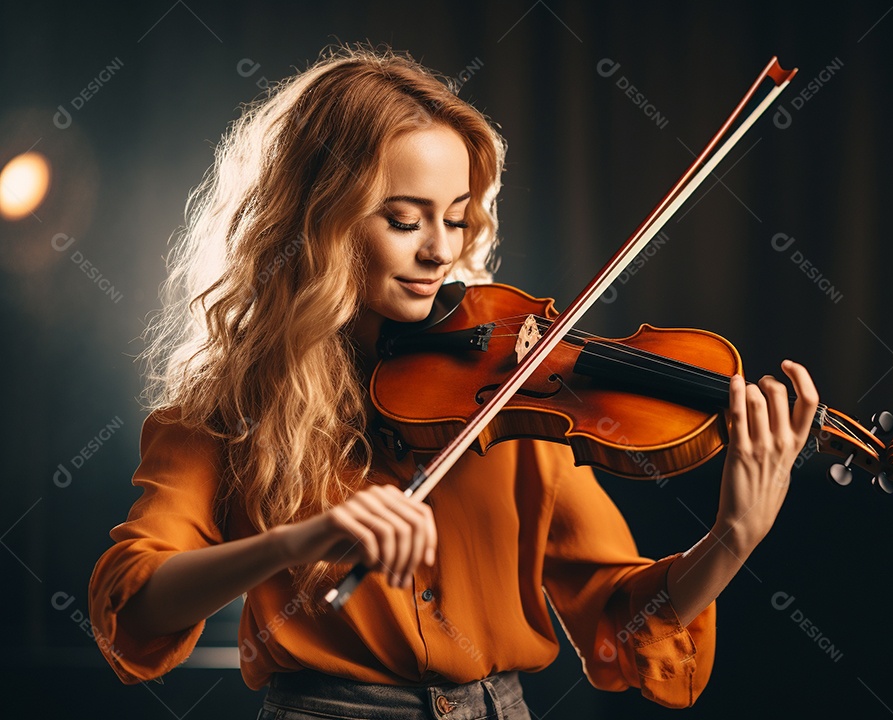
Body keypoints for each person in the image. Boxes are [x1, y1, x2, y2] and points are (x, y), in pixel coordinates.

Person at [88, 44, 819, 719]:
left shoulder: (514, 390)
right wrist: (292, 543)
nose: (440, 251)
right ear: (319, 221)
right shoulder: (224, 413)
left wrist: (731, 538)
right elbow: (136, 611)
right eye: (405, 220)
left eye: (458, 219)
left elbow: (615, 621)